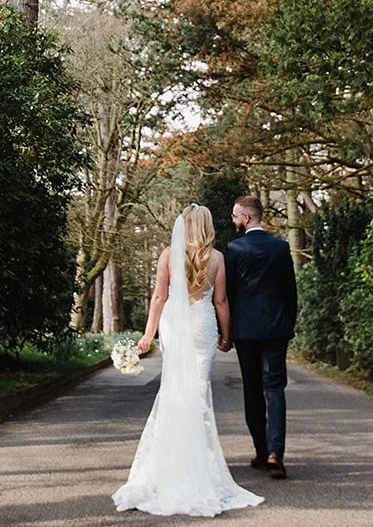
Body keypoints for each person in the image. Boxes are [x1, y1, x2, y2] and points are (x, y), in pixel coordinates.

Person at [113, 205, 264, 517]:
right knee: (198, 392)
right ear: (207, 225)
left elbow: (159, 296)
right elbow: (220, 300)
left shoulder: (169, 254)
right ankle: (195, 461)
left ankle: (171, 460)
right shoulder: (218, 258)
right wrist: (227, 335)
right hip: (202, 325)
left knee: (173, 389)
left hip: (174, 325)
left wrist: (148, 333)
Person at [225, 195, 297, 479]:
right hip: (276, 328)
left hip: (245, 331)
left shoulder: (234, 248)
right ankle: (275, 453)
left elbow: (228, 294)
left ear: (246, 218)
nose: (232, 221)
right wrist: (288, 324)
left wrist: (226, 332)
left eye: (234, 216)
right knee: (275, 389)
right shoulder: (281, 248)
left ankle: (260, 451)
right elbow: (290, 292)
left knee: (252, 390)